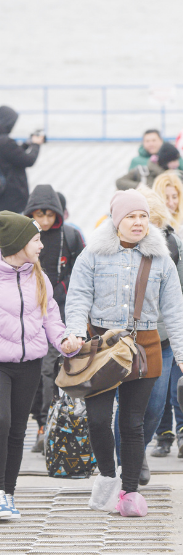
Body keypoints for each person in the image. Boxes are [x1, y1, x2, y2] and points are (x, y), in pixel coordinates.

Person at [62, 190, 183, 517]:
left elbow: (174, 310)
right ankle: (108, 476)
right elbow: (78, 297)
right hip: (101, 348)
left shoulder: (161, 258)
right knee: (96, 419)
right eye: (131, 217)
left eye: (143, 216)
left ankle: (130, 491)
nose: (138, 222)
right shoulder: (92, 254)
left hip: (143, 346)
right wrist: (75, 333)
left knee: (132, 423)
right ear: (116, 221)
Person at [0, 212, 76, 520]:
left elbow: (51, 319)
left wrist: (65, 341)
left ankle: (8, 495)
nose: (41, 245)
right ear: (16, 244)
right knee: (1, 422)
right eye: (35, 240)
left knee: (18, 430)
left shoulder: (39, 278)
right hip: (0, 365)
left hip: (29, 364)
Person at [129, 187, 183, 475]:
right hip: (120, 342)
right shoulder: (112, 247)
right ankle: (127, 462)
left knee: (154, 406)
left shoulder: (172, 244)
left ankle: (137, 450)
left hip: (159, 340)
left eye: (148, 219)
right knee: (127, 408)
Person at [22, 185, 85, 452]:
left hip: (60, 312)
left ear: (58, 213)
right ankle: (40, 422)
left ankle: (51, 423)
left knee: (52, 371)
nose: (45, 221)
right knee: (35, 372)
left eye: (50, 215)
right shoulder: (23, 236)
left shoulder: (70, 235)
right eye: (39, 215)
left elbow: (83, 271)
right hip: (28, 315)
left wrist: (60, 289)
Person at [0, 107, 45, 215]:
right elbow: (28, 160)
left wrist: (26, 144)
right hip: (11, 196)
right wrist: (36, 144)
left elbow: (11, 156)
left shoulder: (4, 142)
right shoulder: (6, 142)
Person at [116, 142, 181, 190]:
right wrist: (141, 187)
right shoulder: (141, 171)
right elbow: (119, 182)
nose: (177, 164)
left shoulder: (173, 177)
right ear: (166, 161)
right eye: (174, 160)